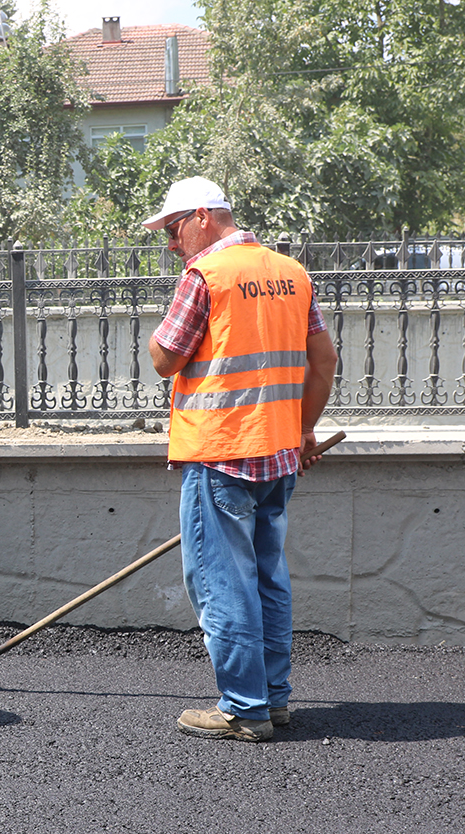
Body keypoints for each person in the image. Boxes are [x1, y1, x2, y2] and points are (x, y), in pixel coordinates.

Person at [144, 177, 338, 742]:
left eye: (174, 228)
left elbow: (164, 358)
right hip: (278, 454)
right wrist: (303, 432)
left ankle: (244, 709)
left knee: (222, 584)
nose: (172, 243)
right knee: (268, 578)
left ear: (203, 216)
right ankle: (273, 699)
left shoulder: (206, 275)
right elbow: (323, 360)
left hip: (221, 455)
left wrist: (163, 329)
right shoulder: (291, 272)